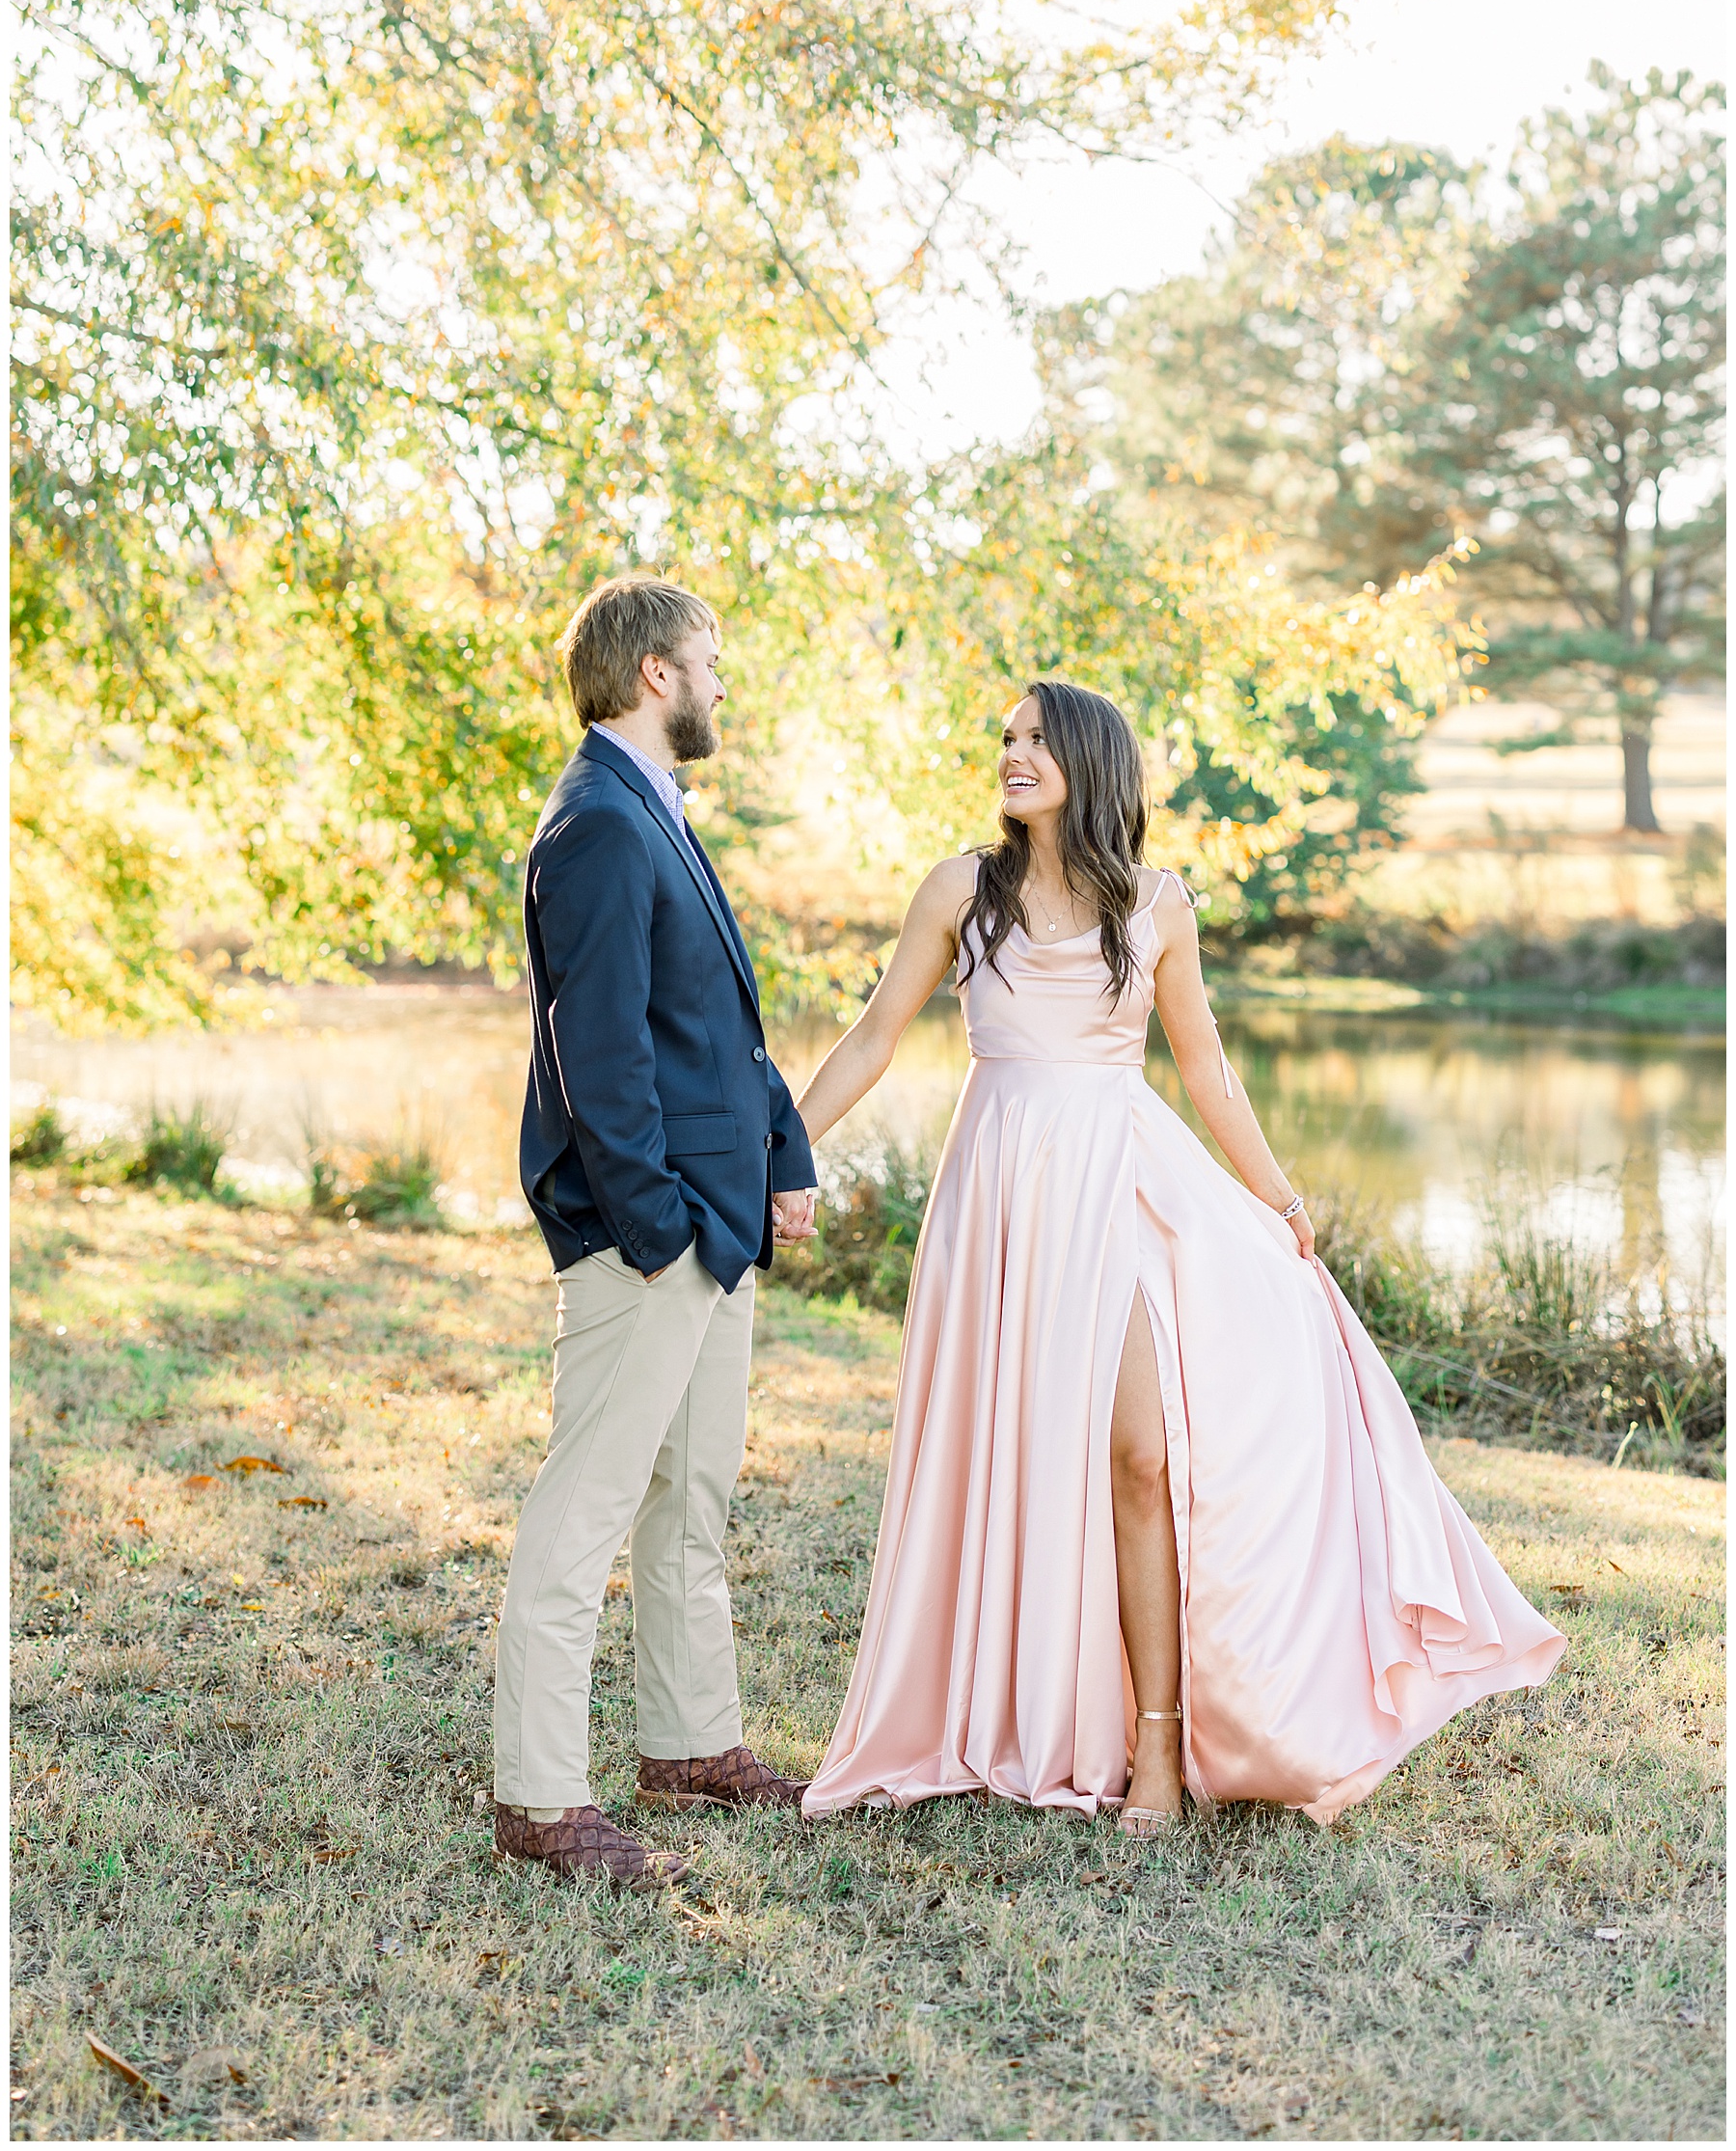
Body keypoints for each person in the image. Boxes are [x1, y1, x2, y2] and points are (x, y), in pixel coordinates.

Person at [796, 680, 1564, 1834]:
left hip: (1117, 1183)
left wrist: (1280, 1193)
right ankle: (1015, 1713)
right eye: (1005, 737)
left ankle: (1157, 1743)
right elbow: (872, 1033)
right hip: (999, 1189)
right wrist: (784, 1150)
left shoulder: (1158, 903)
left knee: (1142, 1452)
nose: (1011, 752)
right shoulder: (961, 888)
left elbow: (1208, 1067)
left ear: (1091, 759)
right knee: (1006, 1447)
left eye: (1035, 737)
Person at [493, 576, 820, 1890]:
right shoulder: (596, 829)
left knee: (693, 1498)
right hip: (654, 1238)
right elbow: (601, 1051)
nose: (722, 681)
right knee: (587, 1506)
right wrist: (654, 1228)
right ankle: (538, 1794)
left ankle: (690, 1743)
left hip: (715, 1226)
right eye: (711, 657)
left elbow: (716, 1029)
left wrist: (778, 1156)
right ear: (654, 676)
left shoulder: (654, 811)